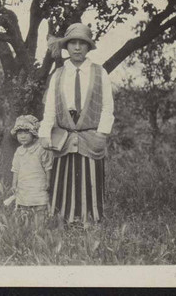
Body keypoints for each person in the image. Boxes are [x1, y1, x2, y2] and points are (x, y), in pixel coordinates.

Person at [39, 23, 115, 224]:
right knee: (64, 177)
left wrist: (102, 133)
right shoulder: (59, 75)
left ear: (88, 47)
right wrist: (45, 132)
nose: (78, 48)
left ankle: (90, 218)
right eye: (73, 43)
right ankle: (63, 218)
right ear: (67, 46)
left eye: (82, 43)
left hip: (91, 136)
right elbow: (50, 108)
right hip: (64, 136)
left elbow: (108, 107)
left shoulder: (100, 73)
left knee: (90, 179)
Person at [10, 115, 54, 224]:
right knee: (24, 206)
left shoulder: (41, 149)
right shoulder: (19, 151)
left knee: (40, 205)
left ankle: (40, 228)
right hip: (24, 185)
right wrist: (14, 184)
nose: (22, 136)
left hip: (38, 184)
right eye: (20, 133)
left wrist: (48, 181)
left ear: (33, 133)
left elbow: (48, 166)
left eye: (26, 133)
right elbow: (15, 169)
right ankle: (27, 229)